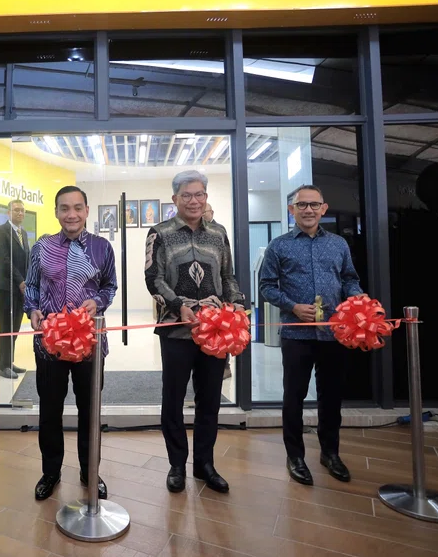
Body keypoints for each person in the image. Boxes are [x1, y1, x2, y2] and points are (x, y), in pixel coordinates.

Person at [145, 170, 245, 495]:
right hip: (176, 330)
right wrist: (178, 306)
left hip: (216, 330)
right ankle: (177, 464)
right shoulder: (159, 233)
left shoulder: (218, 233)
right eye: (186, 195)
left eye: (199, 194)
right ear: (175, 199)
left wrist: (238, 304)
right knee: (173, 400)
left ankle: (205, 464)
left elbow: (228, 275)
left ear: (206, 197)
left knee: (210, 400)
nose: (194, 200)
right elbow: (153, 278)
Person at [259, 184, 362, 486]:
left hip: (334, 333)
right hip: (296, 333)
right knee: (294, 396)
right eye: (301, 205)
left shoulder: (339, 245)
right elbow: (266, 286)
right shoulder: (279, 246)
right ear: (292, 210)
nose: (307, 210)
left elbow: (349, 280)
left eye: (313, 205)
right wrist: (293, 306)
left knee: (331, 397)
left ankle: (330, 453)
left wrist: (358, 303)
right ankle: (295, 456)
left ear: (323, 209)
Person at [26, 186, 117, 501]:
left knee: (89, 411)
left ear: (87, 210)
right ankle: (50, 472)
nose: (71, 214)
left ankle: (89, 470)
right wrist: (33, 310)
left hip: (90, 343)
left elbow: (110, 286)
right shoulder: (42, 246)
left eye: (77, 207)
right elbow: (32, 288)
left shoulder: (102, 248)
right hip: (49, 344)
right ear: (56, 212)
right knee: (50, 411)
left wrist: (97, 301)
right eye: (64, 208)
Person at [0, 199, 30, 379]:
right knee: (6, 328)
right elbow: (4, 260)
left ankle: (10, 362)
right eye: (16, 210)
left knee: (15, 327)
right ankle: (3, 366)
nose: (20, 213)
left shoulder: (23, 233)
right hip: (6, 289)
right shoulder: (1, 231)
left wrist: (28, 280)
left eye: (22, 211)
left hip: (20, 289)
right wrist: (20, 281)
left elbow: (26, 260)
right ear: (8, 213)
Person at [203, 203, 233, 381]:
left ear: (211, 213)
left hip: (218, 293)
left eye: (204, 211)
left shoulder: (218, 230)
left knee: (222, 333)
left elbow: (226, 266)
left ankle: (225, 366)